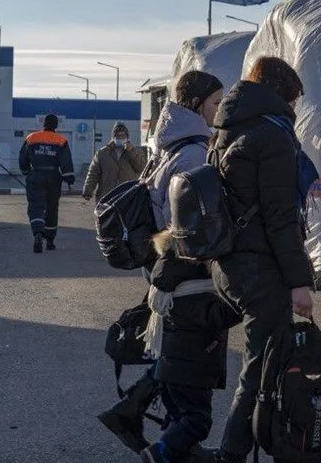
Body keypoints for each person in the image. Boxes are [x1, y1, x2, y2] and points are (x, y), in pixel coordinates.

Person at [96, 71, 233, 462]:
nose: (218, 108)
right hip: (183, 270)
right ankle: (168, 444)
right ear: (195, 104)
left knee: (175, 358)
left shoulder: (170, 144)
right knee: (189, 363)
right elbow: (186, 223)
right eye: (215, 101)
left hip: (164, 269)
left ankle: (151, 424)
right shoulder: (192, 152)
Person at [209, 57, 317, 463]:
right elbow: (279, 217)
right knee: (260, 368)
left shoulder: (227, 127)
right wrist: (299, 281)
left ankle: (250, 447)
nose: (295, 109)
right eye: (293, 100)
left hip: (229, 261)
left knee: (262, 364)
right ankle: (231, 453)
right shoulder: (271, 135)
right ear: (281, 93)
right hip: (260, 266)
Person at [18, 114, 75, 252]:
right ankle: (50, 241)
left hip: (36, 175)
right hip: (54, 178)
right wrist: (69, 178)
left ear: (44, 124)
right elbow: (66, 161)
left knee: (36, 206)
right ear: (56, 125)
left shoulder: (31, 138)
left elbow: (23, 159)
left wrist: (26, 172)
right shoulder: (61, 141)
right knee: (51, 208)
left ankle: (38, 233)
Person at [83, 121, 147, 202]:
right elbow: (93, 173)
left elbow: (142, 168)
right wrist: (87, 190)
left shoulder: (135, 151)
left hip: (127, 196)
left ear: (127, 137)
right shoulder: (102, 153)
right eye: (117, 135)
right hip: (107, 196)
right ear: (113, 137)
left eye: (123, 135)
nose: (120, 138)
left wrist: (131, 151)